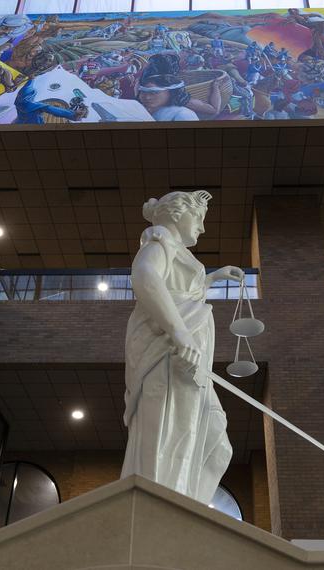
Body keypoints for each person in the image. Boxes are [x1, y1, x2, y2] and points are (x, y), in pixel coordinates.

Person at [121, 190, 241, 504]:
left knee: (216, 444)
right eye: (199, 218)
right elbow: (145, 276)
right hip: (168, 354)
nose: (201, 228)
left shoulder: (176, 250)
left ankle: (189, 513)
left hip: (188, 360)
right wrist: (180, 334)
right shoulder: (160, 238)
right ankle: (161, 512)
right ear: (177, 214)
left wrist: (211, 278)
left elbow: (177, 289)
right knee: (169, 439)